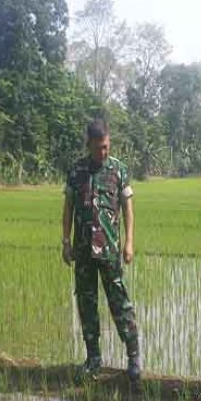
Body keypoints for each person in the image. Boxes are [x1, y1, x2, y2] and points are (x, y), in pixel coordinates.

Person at [62, 120, 141, 383]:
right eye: (98, 148)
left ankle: (133, 358)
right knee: (87, 305)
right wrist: (65, 241)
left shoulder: (119, 170)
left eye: (106, 147)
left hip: (109, 250)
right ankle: (93, 359)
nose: (103, 152)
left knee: (120, 303)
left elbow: (128, 208)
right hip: (83, 251)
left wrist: (129, 242)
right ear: (88, 145)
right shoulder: (77, 171)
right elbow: (68, 207)